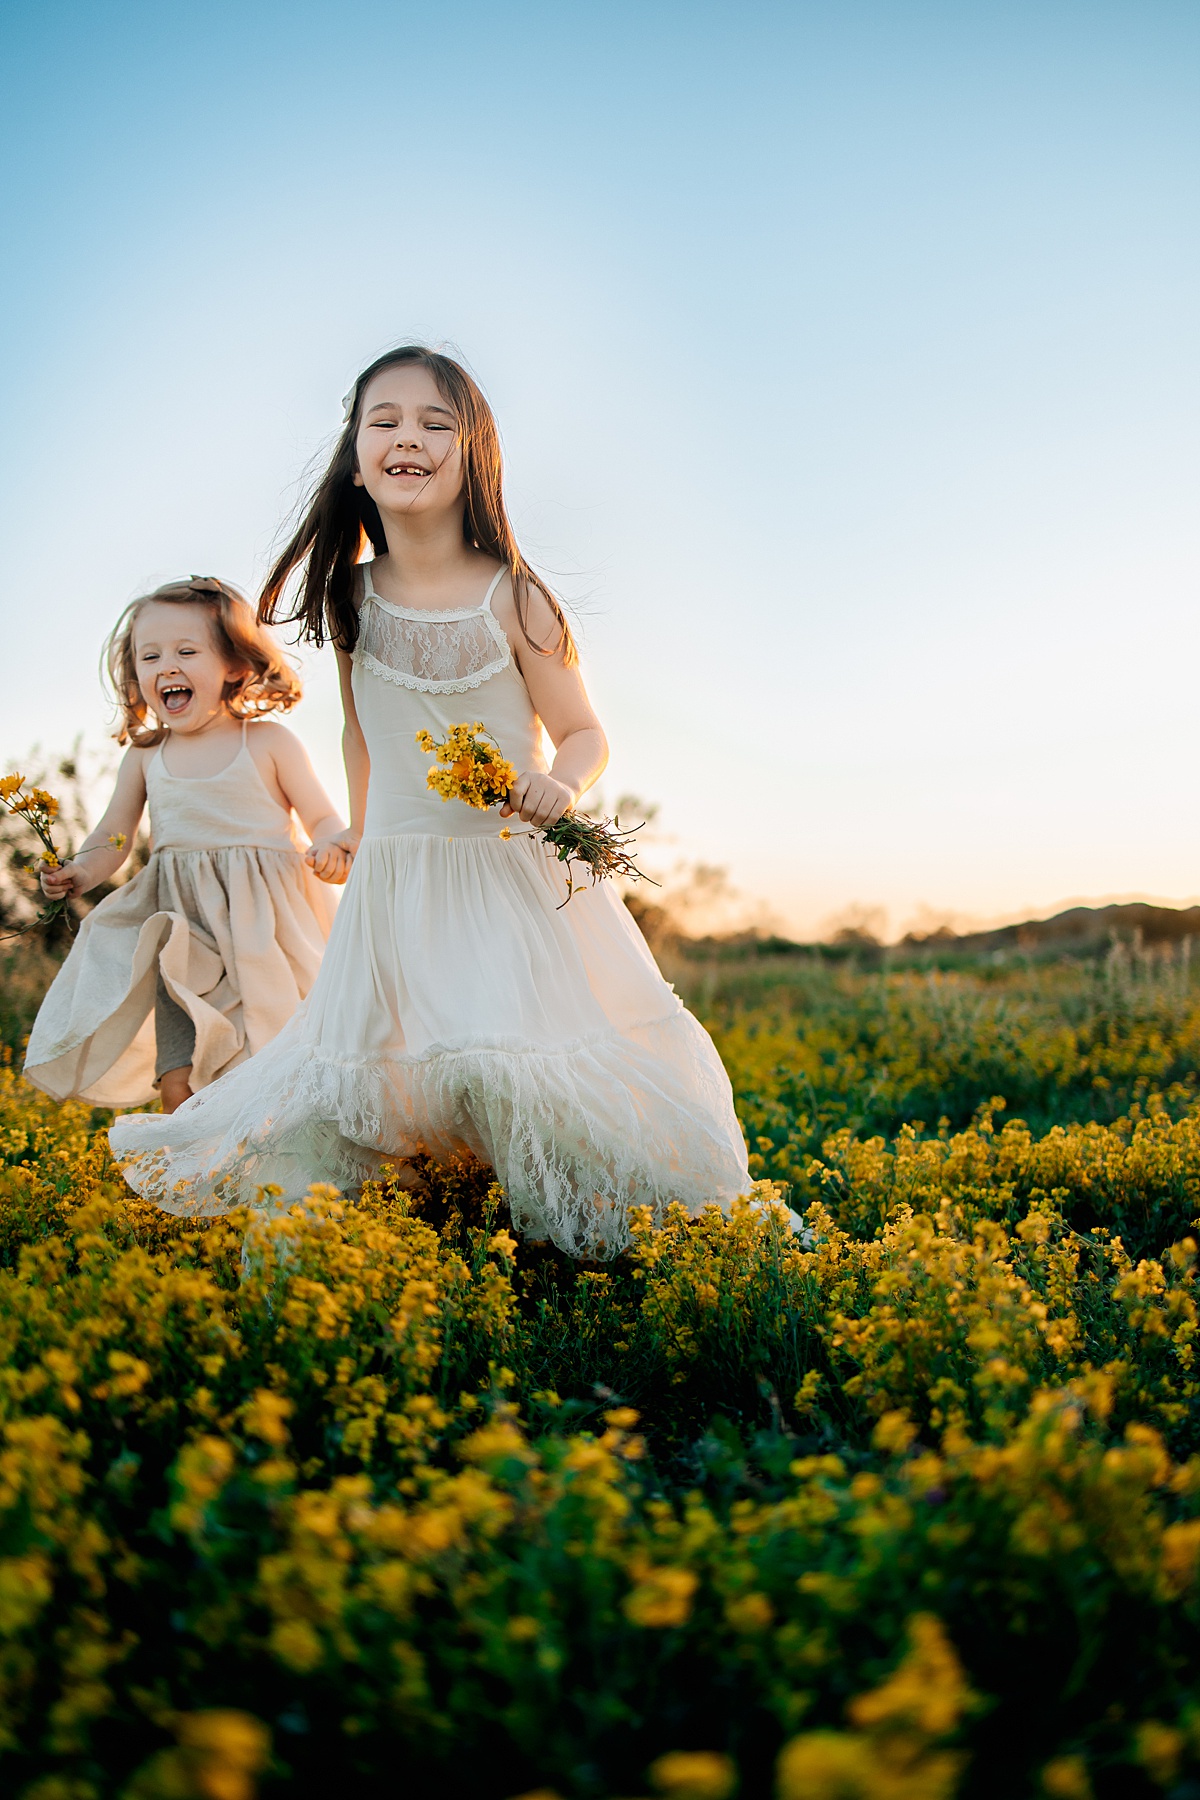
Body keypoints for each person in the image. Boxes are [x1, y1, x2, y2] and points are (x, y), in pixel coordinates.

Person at [110, 349, 752, 1257]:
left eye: (434, 422)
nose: (407, 437)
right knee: (395, 1067)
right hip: (398, 874)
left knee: (514, 1052)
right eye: (385, 421)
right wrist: (362, 838)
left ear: (472, 453)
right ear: (357, 454)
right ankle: (438, 1226)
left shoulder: (516, 595)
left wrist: (558, 785)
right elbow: (360, 736)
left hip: (511, 875)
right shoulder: (351, 597)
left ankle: (557, 1242)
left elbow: (584, 732)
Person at [26, 577, 351, 1111]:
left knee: (281, 1059)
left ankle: (293, 1177)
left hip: (268, 934)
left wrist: (333, 847)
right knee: (180, 1079)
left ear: (236, 666)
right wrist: (82, 871)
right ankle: (197, 1184)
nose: (166, 667)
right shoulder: (147, 755)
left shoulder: (268, 742)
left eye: (186, 651)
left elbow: (321, 814)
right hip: (183, 938)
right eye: (149, 656)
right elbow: (114, 834)